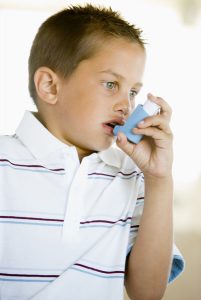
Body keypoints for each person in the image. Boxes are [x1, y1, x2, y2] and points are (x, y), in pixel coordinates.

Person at [0, 4, 184, 300]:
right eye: (111, 84)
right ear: (50, 86)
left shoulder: (131, 175)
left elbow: (147, 293)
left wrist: (159, 179)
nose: (127, 104)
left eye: (134, 91)